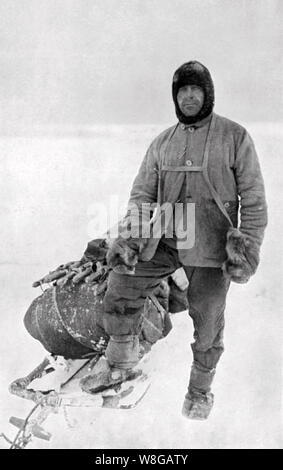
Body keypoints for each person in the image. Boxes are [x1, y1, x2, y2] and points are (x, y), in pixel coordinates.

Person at [84, 60, 268, 420]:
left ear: (207, 94)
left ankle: (199, 391)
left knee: (209, 321)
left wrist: (247, 246)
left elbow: (254, 198)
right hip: (165, 241)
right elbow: (141, 196)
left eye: (194, 90)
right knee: (122, 284)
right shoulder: (162, 142)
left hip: (212, 247)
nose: (188, 96)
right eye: (182, 91)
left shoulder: (235, 136)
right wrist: (130, 239)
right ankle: (121, 366)